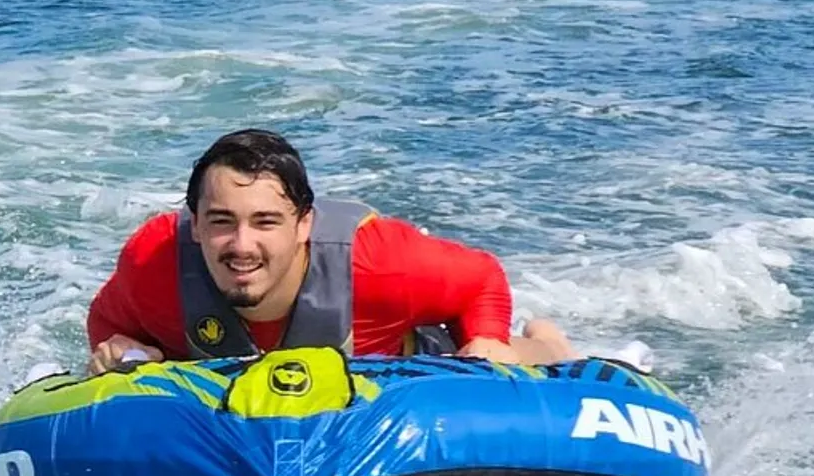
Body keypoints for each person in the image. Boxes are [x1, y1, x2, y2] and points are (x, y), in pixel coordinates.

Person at [85, 128, 575, 375]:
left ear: (304, 225)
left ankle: (547, 340)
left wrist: (486, 338)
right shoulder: (153, 261)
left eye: (266, 222)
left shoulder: (381, 262)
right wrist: (125, 351)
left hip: (407, 369)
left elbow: (481, 277)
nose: (241, 245)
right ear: (194, 224)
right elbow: (108, 322)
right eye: (220, 222)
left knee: (501, 356)